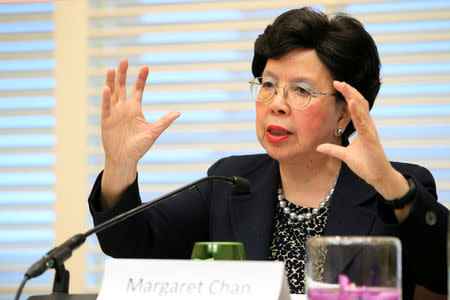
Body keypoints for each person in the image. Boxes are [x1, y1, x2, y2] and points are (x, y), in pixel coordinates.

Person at [88, 7, 448, 299]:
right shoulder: (229, 182)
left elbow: (442, 271)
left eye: (300, 90)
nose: (276, 103)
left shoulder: (399, 187)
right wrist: (120, 165)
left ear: (344, 112)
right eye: (269, 85)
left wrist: (390, 185)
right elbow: (129, 242)